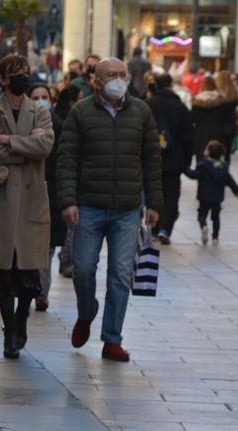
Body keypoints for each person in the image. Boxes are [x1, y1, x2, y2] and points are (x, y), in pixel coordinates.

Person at [57, 57, 162, 362]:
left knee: (120, 274)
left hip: (127, 209)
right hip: (88, 206)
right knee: (84, 269)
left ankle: (112, 339)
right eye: (111, 75)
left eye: (122, 75)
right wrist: (69, 200)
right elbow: (67, 159)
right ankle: (87, 311)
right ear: (96, 82)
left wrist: (154, 203)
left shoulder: (141, 111)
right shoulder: (81, 112)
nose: (118, 80)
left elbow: (152, 160)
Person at [0, 56, 54, 358]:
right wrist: (25, 147)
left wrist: (7, 140)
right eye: (15, 73)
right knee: (3, 271)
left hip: (32, 200)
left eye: (26, 73)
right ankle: (9, 329)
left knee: (30, 273)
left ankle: (22, 317)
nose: (22, 77)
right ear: (3, 79)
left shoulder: (39, 111)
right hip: (0, 200)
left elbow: (45, 146)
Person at [28, 83, 66, 312]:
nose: (41, 100)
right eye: (36, 97)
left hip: (52, 194)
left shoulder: (61, 127)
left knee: (47, 249)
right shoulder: (20, 125)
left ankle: (42, 293)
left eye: (44, 96)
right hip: (27, 193)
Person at [146, 73, 193, 245]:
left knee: (153, 191)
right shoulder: (179, 106)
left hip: (152, 157)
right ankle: (165, 227)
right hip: (174, 158)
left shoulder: (149, 105)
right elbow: (188, 135)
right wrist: (186, 160)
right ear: (171, 85)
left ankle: (154, 226)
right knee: (171, 194)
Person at [183, 140, 238, 245]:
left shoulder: (204, 165)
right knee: (216, 217)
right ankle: (215, 236)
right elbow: (229, 179)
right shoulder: (223, 166)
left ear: (209, 152)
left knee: (202, 215)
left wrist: (184, 168)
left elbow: (193, 175)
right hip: (217, 197)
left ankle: (204, 226)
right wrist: (236, 190)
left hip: (204, 196)